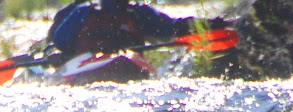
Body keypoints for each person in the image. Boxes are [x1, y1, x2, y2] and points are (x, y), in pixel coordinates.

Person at [45, 0, 196, 57]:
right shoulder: (83, 11)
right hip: (84, 64)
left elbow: (172, 28)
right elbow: (59, 41)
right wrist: (62, 55)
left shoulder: (138, 12)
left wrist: (204, 25)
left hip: (128, 63)